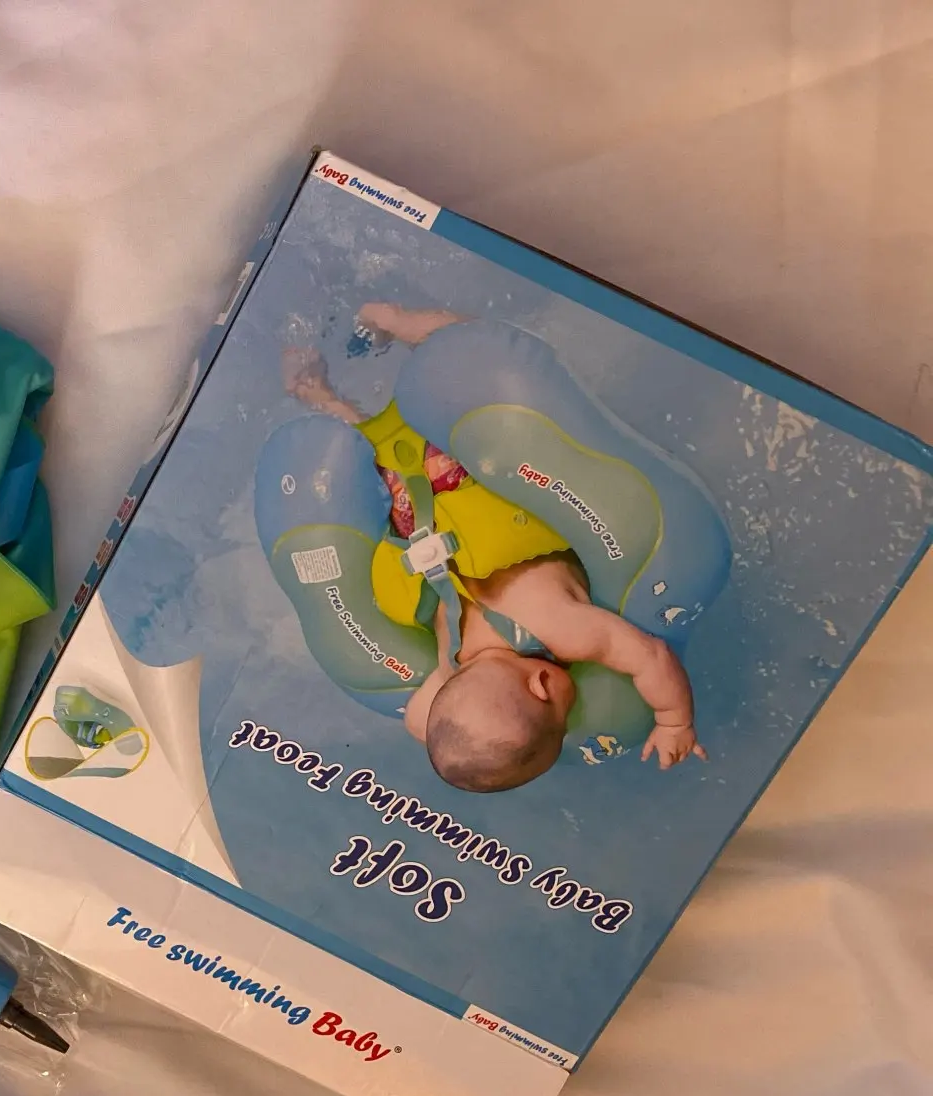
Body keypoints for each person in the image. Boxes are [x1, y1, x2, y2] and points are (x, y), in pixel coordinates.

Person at [285, 302, 705, 793]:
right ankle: (358, 363)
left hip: (467, 478)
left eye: (562, 718)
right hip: (414, 515)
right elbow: (422, 722)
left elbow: (651, 658)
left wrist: (674, 722)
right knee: (389, 442)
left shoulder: (565, 631)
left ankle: (387, 329)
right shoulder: (448, 674)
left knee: (466, 350)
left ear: (543, 685)